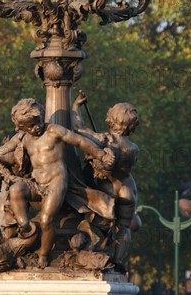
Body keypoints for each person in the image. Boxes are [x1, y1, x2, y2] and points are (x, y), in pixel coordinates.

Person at [0, 97, 115, 269]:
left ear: (42, 116)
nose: (35, 128)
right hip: (36, 183)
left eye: (37, 122)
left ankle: (43, 253)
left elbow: (80, 141)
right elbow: (2, 151)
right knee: (16, 190)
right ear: (21, 127)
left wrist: (101, 155)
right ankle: (25, 225)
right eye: (29, 126)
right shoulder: (23, 137)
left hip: (56, 183)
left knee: (45, 220)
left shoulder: (53, 130)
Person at [72, 91, 139, 272]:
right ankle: (118, 260)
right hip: (128, 189)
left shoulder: (104, 140)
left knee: (100, 225)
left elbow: (78, 128)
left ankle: (95, 253)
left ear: (112, 118)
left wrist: (76, 105)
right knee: (124, 228)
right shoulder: (133, 148)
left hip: (108, 189)